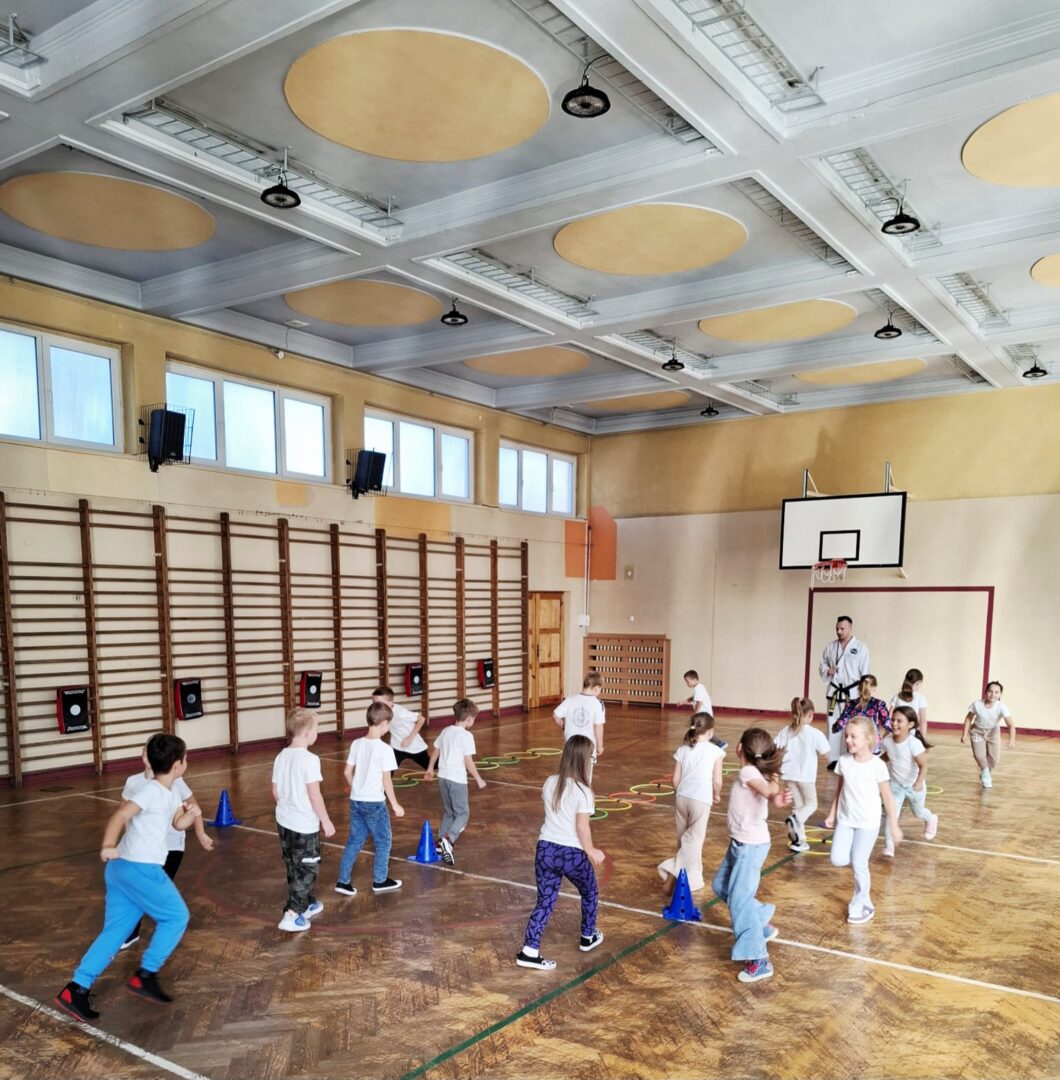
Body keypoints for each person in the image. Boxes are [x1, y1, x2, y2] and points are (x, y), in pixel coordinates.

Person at [54, 733, 200, 1023]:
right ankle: (146, 974)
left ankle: (76, 988)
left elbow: (175, 823)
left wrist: (190, 816)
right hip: (139, 869)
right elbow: (120, 816)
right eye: (185, 758)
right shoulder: (150, 790)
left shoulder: (170, 793)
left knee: (115, 932)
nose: (186, 762)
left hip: (122, 872)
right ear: (178, 765)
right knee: (177, 917)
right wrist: (108, 845)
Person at [516, 735, 604, 972]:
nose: (593, 761)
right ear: (584, 760)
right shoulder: (584, 792)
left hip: (545, 849)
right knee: (590, 891)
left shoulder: (550, 782)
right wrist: (590, 850)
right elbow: (582, 827)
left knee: (545, 901)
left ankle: (529, 951)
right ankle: (587, 936)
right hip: (571, 854)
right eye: (592, 757)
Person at [711, 728, 792, 984]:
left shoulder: (748, 772)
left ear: (739, 748)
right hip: (740, 844)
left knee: (739, 901)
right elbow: (769, 789)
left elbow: (766, 791)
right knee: (720, 885)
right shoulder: (761, 774)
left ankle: (759, 959)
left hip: (749, 847)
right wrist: (775, 792)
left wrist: (773, 796)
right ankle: (760, 921)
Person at [119, 741, 215, 951]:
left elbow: (191, 808)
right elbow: (124, 812)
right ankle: (133, 931)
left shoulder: (175, 781)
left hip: (171, 847)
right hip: (143, 849)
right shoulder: (133, 782)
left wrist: (200, 833)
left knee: (150, 890)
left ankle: (167, 922)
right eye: (146, 751)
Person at [825, 716, 903, 925]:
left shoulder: (877, 766)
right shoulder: (844, 761)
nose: (847, 740)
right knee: (838, 859)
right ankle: (862, 897)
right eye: (846, 736)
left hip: (868, 823)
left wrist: (894, 826)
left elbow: (887, 797)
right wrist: (832, 813)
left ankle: (862, 903)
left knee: (859, 863)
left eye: (853, 736)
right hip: (846, 820)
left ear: (868, 739)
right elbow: (840, 789)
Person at [272, 707, 336, 932]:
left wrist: (288, 805)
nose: (317, 733)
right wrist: (325, 820)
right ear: (308, 733)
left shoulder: (281, 756)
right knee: (307, 868)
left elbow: (275, 792)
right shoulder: (310, 760)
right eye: (316, 729)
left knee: (293, 864)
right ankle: (292, 914)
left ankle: (307, 902)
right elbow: (314, 795)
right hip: (303, 826)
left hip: (284, 821)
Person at [335, 701, 404, 897]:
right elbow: (386, 781)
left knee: (355, 840)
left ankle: (343, 881)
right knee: (383, 841)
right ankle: (380, 880)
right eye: (389, 724)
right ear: (383, 723)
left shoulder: (357, 744)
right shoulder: (385, 749)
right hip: (374, 804)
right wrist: (395, 804)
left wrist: (356, 788)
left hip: (356, 801)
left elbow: (347, 772)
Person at [656, 712, 724, 892]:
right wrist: (716, 794)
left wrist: (678, 792)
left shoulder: (682, 750)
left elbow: (675, 779)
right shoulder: (715, 751)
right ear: (710, 732)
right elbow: (717, 780)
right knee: (694, 840)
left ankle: (694, 879)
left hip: (682, 797)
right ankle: (671, 871)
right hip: (700, 800)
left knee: (683, 840)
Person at [424, 698, 486, 865]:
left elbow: (435, 752)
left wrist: (430, 769)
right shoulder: (466, 736)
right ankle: (448, 839)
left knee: (449, 812)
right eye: (474, 718)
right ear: (468, 719)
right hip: (457, 780)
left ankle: (439, 844)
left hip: (443, 777)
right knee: (463, 814)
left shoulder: (446, 731)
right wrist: (478, 779)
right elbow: (468, 761)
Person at [881, 705, 937, 857]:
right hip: (895, 785)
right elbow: (888, 755)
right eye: (893, 720)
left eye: (899, 721)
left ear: (910, 724)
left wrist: (918, 783)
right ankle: (889, 845)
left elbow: (923, 765)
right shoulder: (887, 740)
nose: (894, 723)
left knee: (918, 812)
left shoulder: (914, 744)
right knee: (891, 815)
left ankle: (931, 818)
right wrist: (875, 762)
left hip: (914, 786)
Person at [776, 697, 829, 853]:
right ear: (811, 714)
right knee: (811, 804)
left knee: (798, 806)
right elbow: (827, 754)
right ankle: (796, 820)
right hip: (805, 776)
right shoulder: (815, 734)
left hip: (788, 774)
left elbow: (775, 747)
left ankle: (799, 839)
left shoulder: (786, 730)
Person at [819, 616, 870, 768]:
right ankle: (834, 760)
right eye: (837, 628)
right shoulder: (830, 647)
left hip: (852, 694)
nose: (839, 631)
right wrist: (827, 670)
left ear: (850, 628)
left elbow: (865, 674)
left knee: (851, 726)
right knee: (833, 724)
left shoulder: (860, 648)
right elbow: (822, 664)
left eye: (842, 629)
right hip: (834, 692)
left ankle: (850, 758)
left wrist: (864, 695)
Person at [961, 681, 1016, 789]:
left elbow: (1011, 725)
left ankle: (985, 773)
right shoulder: (977, 704)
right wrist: (964, 734)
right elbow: (968, 718)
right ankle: (986, 775)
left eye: (996, 692)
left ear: (1000, 694)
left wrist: (1012, 740)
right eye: (990, 691)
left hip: (993, 732)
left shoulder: (1001, 707)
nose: (993, 694)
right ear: (986, 692)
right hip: (978, 731)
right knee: (979, 756)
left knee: (994, 760)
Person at [372, 685, 429, 770]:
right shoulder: (382, 712)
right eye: (374, 702)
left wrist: (410, 738)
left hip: (414, 746)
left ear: (390, 702)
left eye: (378, 702)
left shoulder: (401, 712)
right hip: (397, 747)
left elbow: (421, 719)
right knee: (389, 769)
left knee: (429, 765)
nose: (375, 705)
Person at [553, 672, 605, 760]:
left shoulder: (570, 700)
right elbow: (598, 726)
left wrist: (563, 725)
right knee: (586, 767)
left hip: (571, 744)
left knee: (570, 767)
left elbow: (555, 715)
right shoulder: (598, 704)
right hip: (588, 746)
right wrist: (600, 745)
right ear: (596, 688)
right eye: (600, 689)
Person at [835, 675, 891, 753]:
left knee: (854, 758)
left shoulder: (850, 704)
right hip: (872, 740)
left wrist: (835, 728)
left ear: (859, 687)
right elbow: (887, 723)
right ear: (874, 688)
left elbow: (841, 723)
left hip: (855, 739)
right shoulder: (879, 703)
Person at [682, 669, 727, 751]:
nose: (687, 684)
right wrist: (683, 702)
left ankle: (694, 744)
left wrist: (695, 714)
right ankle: (719, 743)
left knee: (696, 729)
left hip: (703, 716)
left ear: (694, 679)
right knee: (701, 730)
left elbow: (699, 702)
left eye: (688, 681)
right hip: (704, 716)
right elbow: (692, 698)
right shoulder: (699, 687)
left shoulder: (698, 688)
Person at [889, 668, 928, 735]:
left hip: (896, 731)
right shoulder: (921, 698)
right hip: (911, 733)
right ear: (918, 682)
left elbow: (889, 715)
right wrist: (923, 738)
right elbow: (922, 721)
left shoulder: (897, 696)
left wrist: (888, 732)